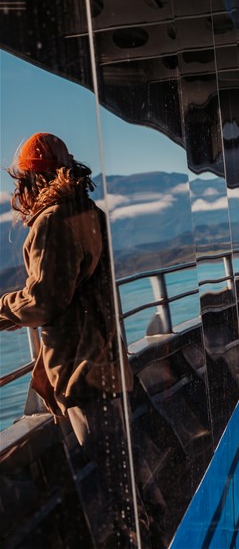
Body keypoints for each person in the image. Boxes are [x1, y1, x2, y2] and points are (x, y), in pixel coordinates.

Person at [0, 133, 153, 547]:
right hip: (105, 364)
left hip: (81, 375)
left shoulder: (51, 222)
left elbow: (44, 301)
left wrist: (0, 309)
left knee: (118, 484)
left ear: (32, 182)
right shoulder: (89, 212)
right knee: (128, 473)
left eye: (21, 183)